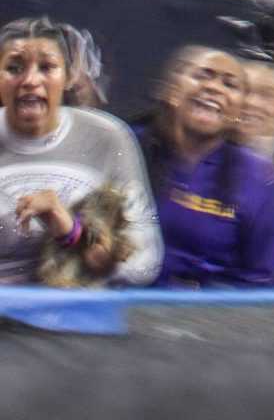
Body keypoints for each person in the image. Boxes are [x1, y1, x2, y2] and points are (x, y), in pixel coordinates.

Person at [0, 15, 160, 285]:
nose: (29, 80)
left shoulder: (108, 137)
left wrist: (70, 230)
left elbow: (144, 264)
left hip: (81, 318)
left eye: (46, 67)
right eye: (14, 68)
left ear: (68, 76)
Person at [142, 45, 274, 287]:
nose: (214, 88)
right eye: (202, 76)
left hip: (203, 318)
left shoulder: (260, 179)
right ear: (171, 89)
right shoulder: (128, 146)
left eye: (229, 85)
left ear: (239, 109)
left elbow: (259, 279)